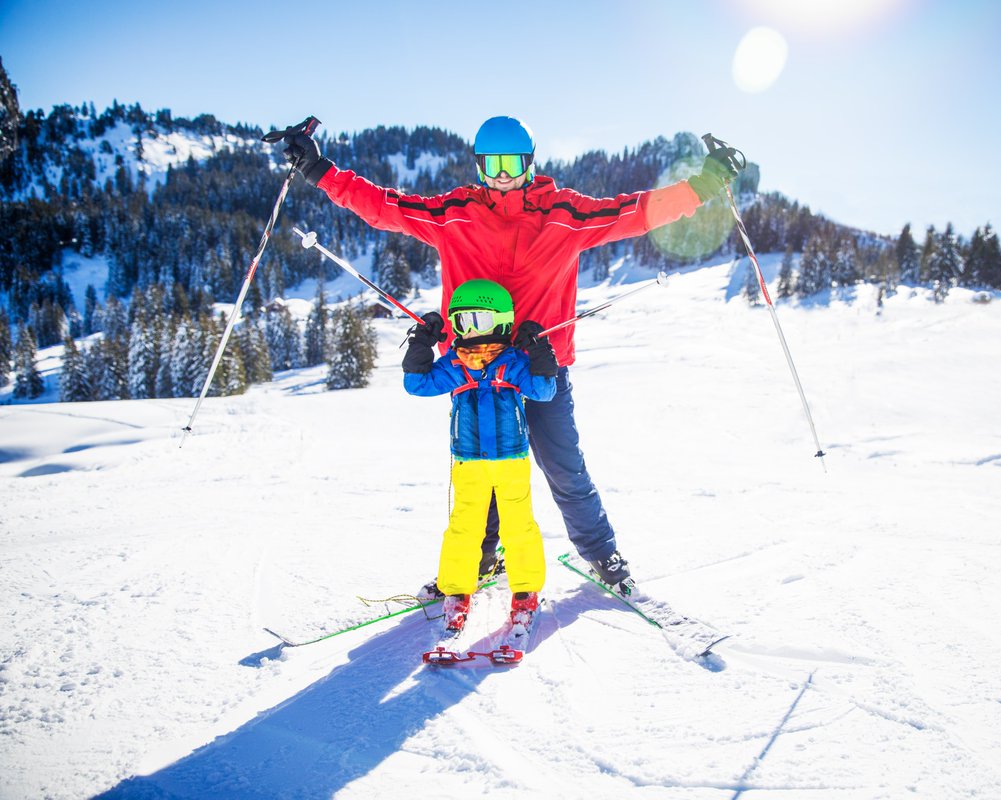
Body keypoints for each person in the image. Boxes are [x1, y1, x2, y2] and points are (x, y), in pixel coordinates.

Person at [282, 115, 739, 595]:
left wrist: (704, 184)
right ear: (480, 166)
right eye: (493, 165)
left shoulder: (566, 213)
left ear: (530, 163)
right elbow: (383, 206)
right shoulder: (454, 211)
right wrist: (320, 171)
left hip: (541, 369)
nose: (503, 175)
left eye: (513, 164)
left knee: (563, 466)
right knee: (483, 469)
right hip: (474, 368)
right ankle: (482, 559)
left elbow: (637, 211)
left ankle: (603, 555)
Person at [402, 278, 559, 635]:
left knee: (519, 527)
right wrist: (422, 342)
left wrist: (538, 350)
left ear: (502, 322)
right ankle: (456, 591)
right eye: (462, 321)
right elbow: (417, 384)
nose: (470, 331)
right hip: (468, 462)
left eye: (480, 321)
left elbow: (545, 390)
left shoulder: (514, 362)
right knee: (464, 528)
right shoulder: (453, 364)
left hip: (510, 461)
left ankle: (525, 592)